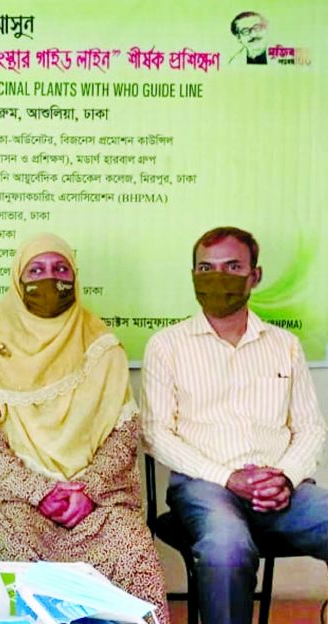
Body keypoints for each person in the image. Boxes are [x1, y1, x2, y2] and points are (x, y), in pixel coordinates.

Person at [0, 233, 169, 622]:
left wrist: (84, 491)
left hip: (95, 499)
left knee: (134, 550)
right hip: (13, 501)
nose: (49, 280)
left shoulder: (102, 345)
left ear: (76, 277)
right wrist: (41, 492)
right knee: (16, 557)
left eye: (60, 269)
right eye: (35, 270)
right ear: (18, 282)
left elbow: (122, 436)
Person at [142, 226, 327, 624]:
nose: (217, 278)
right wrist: (228, 478)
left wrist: (286, 478)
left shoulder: (284, 345)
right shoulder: (167, 345)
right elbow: (155, 433)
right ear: (193, 274)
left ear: (254, 276)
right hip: (204, 488)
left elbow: (311, 429)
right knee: (227, 549)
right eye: (206, 268)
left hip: (282, 489)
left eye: (232, 266)